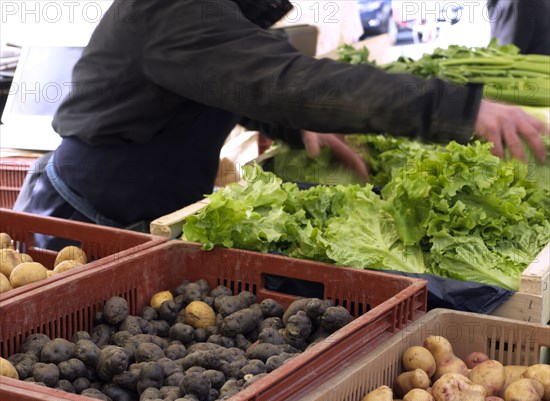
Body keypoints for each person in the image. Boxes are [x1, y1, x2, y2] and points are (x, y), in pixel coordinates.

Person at [14, 0, 548, 234]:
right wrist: (459, 108)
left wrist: (292, 124)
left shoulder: (223, 10)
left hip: (145, 213)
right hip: (79, 221)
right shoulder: (174, 8)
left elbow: (229, 82)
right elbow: (282, 81)